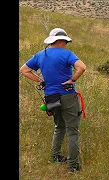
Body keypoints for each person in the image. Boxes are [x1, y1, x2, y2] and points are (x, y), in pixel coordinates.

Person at [20, 27, 86, 173]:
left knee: (59, 127)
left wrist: (40, 81)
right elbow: (81, 67)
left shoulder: (40, 54)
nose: (66, 45)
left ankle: (55, 157)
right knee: (72, 131)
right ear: (61, 41)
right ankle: (73, 167)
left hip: (51, 98)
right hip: (68, 96)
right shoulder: (67, 54)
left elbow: (24, 70)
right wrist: (72, 80)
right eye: (65, 42)